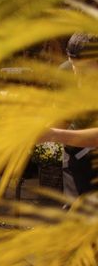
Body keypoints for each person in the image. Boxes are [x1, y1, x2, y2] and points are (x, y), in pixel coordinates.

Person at [39, 32, 98, 195]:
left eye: (85, 70)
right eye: (74, 66)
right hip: (75, 156)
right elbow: (62, 118)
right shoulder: (65, 72)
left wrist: (53, 134)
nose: (78, 76)